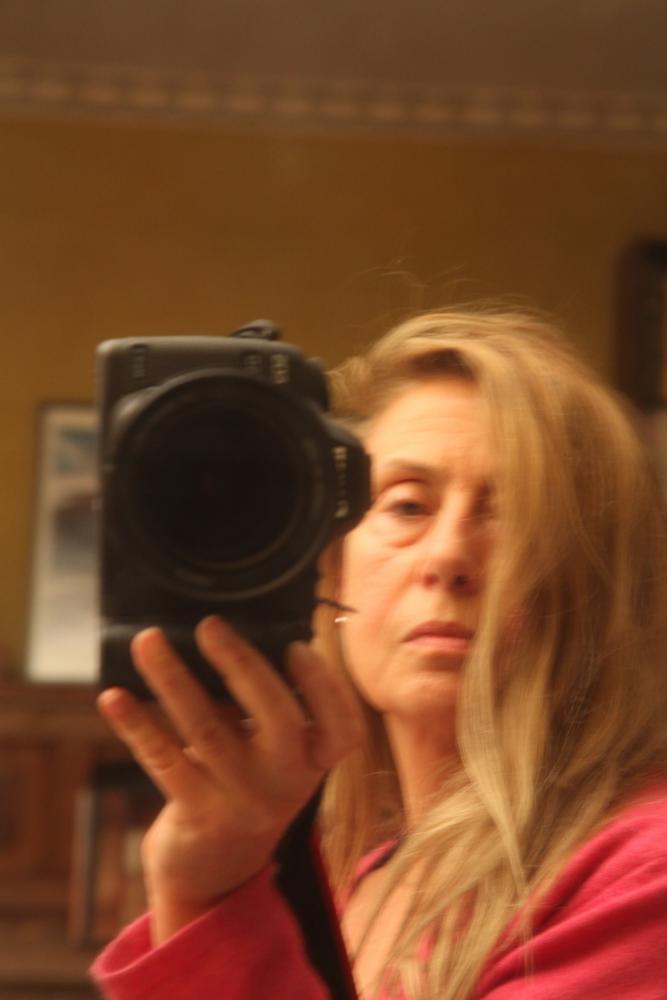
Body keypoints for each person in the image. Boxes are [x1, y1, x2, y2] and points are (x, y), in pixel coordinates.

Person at [91, 307, 667, 1000]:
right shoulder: (358, 880)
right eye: (407, 506)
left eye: (513, 513)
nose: (447, 556)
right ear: (331, 562)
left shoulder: (645, 876)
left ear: (604, 584)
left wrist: (211, 903)